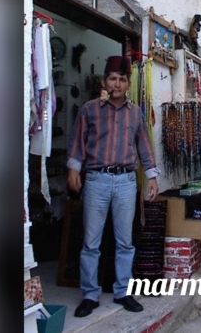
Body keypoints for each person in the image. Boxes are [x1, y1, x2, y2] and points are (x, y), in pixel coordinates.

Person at [67, 55, 160, 318]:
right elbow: (77, 141)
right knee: (91, 242)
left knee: (125, 242)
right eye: (112, 79)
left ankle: (123, 292)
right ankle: (89, 294)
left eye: (121, 79)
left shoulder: (136, 113)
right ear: (104, 81)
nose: (116, 84)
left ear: (128, 83)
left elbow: (144, 146)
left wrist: (151, 176)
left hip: (126, 182)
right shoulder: (89, 109)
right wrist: (74, 168)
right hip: (96, 180)